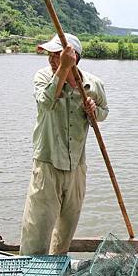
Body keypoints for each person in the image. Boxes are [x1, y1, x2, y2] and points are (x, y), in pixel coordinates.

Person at [20, 33, 108, 255]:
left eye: (56, 55)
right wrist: (62, 69)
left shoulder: (93, 84)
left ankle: (56, 270)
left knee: (67, 227)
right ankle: (30, 275)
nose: (50, 60)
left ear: (73, 56)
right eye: (49, 55)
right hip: (47, 163)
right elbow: (45, 102)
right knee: (37, 227)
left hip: (76, 165)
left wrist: (93, 111)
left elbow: (104, 112)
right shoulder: (43, 77)